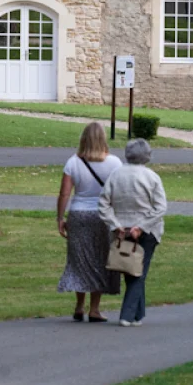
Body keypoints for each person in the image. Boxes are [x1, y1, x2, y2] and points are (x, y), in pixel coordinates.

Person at [57, 122, 122, 321]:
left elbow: (65, 192)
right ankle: (94, 308)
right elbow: (119, 193)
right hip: (103, 215)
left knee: (79, 260)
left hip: (79, 214)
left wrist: (60, 217)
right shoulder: (115, 163)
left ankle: (79, 305)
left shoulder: (73, 162)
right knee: (100, 260)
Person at [98, 138, 167, 327]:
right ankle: (127, 315)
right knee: (138, 272)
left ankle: (138, 315)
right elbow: (160, 207)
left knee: (134, 270)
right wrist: (142, 226)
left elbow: (103, 203)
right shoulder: (151, 177)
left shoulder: (116, 174)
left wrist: (115, 224)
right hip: (148, 229)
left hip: (123, 229)